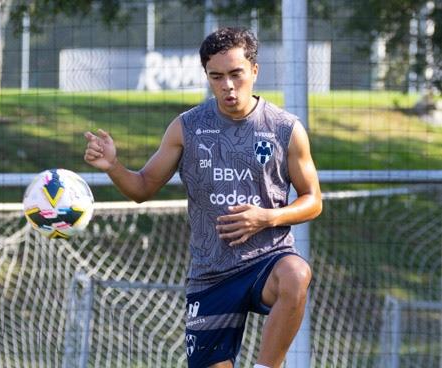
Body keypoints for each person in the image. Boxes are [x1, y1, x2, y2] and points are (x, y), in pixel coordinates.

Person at [84, 27, 322, 368]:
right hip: (211, 274)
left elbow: (313, 200)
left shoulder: (285, 128)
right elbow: (141, 188)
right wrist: (112, 166)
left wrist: (267, 217)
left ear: (254, 71)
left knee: (297, 274)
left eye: (236, 74)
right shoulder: (187, 127)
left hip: (267, 260)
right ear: (208, 76)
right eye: (217, 76)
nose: (227, 85)